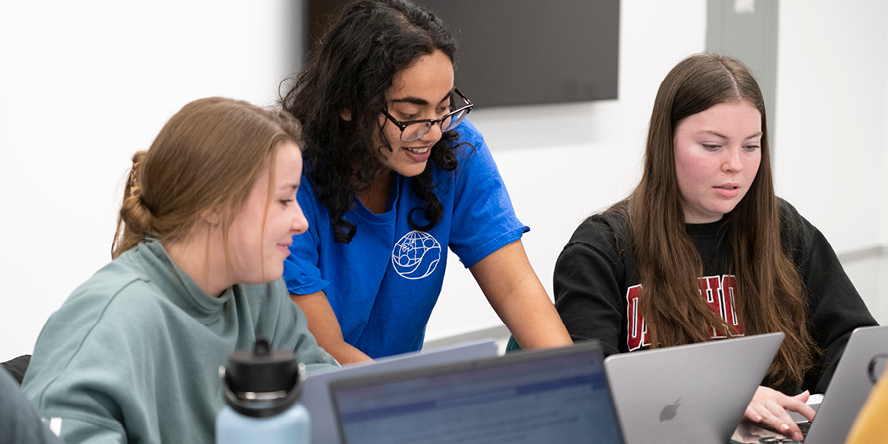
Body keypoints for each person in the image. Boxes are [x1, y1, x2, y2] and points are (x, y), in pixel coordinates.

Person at [552, 53, 877, 442]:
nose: (735, 165)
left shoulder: (784, 229)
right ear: (665, 142)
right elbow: (591, 393)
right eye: (712, 146)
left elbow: (856, 346)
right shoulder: (602, 249)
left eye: (751, 146)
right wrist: (723, 400)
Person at [21, 97, 338, 443]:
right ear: (214, 205)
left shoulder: (259, 290)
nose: (302, 222)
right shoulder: (110, 317)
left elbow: (322, 391)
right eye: (283, 200)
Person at [280, 0, 571, 363]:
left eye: (444, 107)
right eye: (409, 115)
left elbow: (515, 287)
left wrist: (577, 381)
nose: (432, 132)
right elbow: (325, 352)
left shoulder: (457, 150)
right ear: (349, 104)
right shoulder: (288, 180)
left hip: (395, 389)